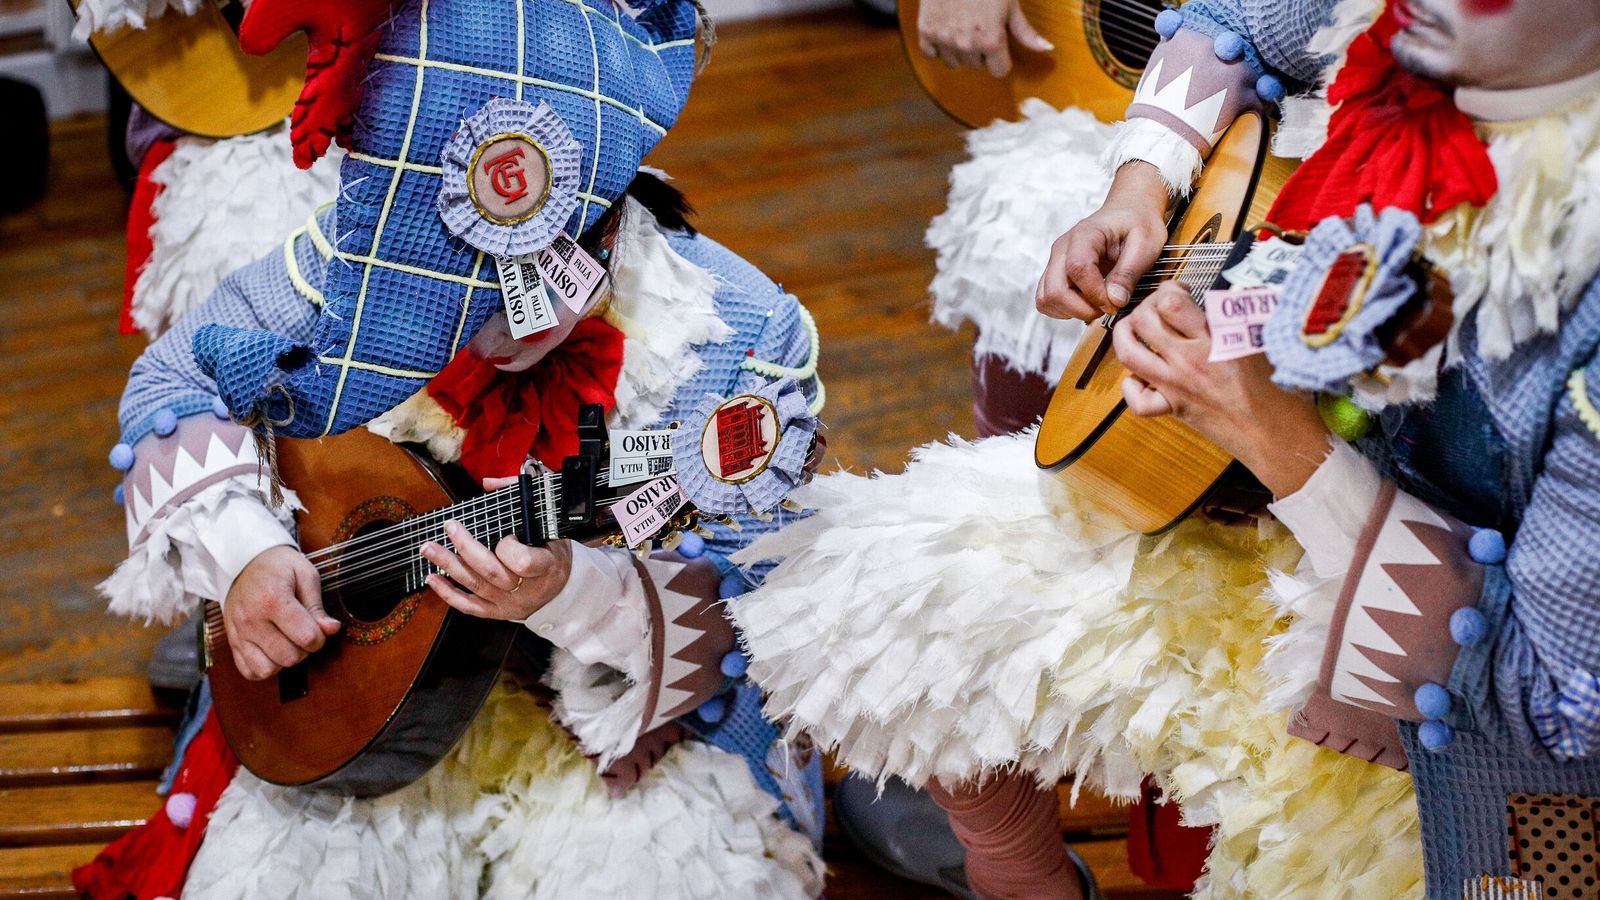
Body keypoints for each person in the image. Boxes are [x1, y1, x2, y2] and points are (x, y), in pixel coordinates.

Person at [733, 0, 1600, 895]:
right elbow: (1240, 20)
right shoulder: (1425, 33)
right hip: (1284, 488)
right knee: (879, 588)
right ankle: (1023, 878)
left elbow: (1553, 700)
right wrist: (1139, 191)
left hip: (1432, 708)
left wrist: (1279, 441)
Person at [74, 0, 830, 896]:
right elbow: (173, 381)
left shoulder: (739, 341)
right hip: (361, 719)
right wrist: (246, 553)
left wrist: (574, 593)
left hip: (613, 732)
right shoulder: (338, 262)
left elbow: (761, 622)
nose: (464, 337)